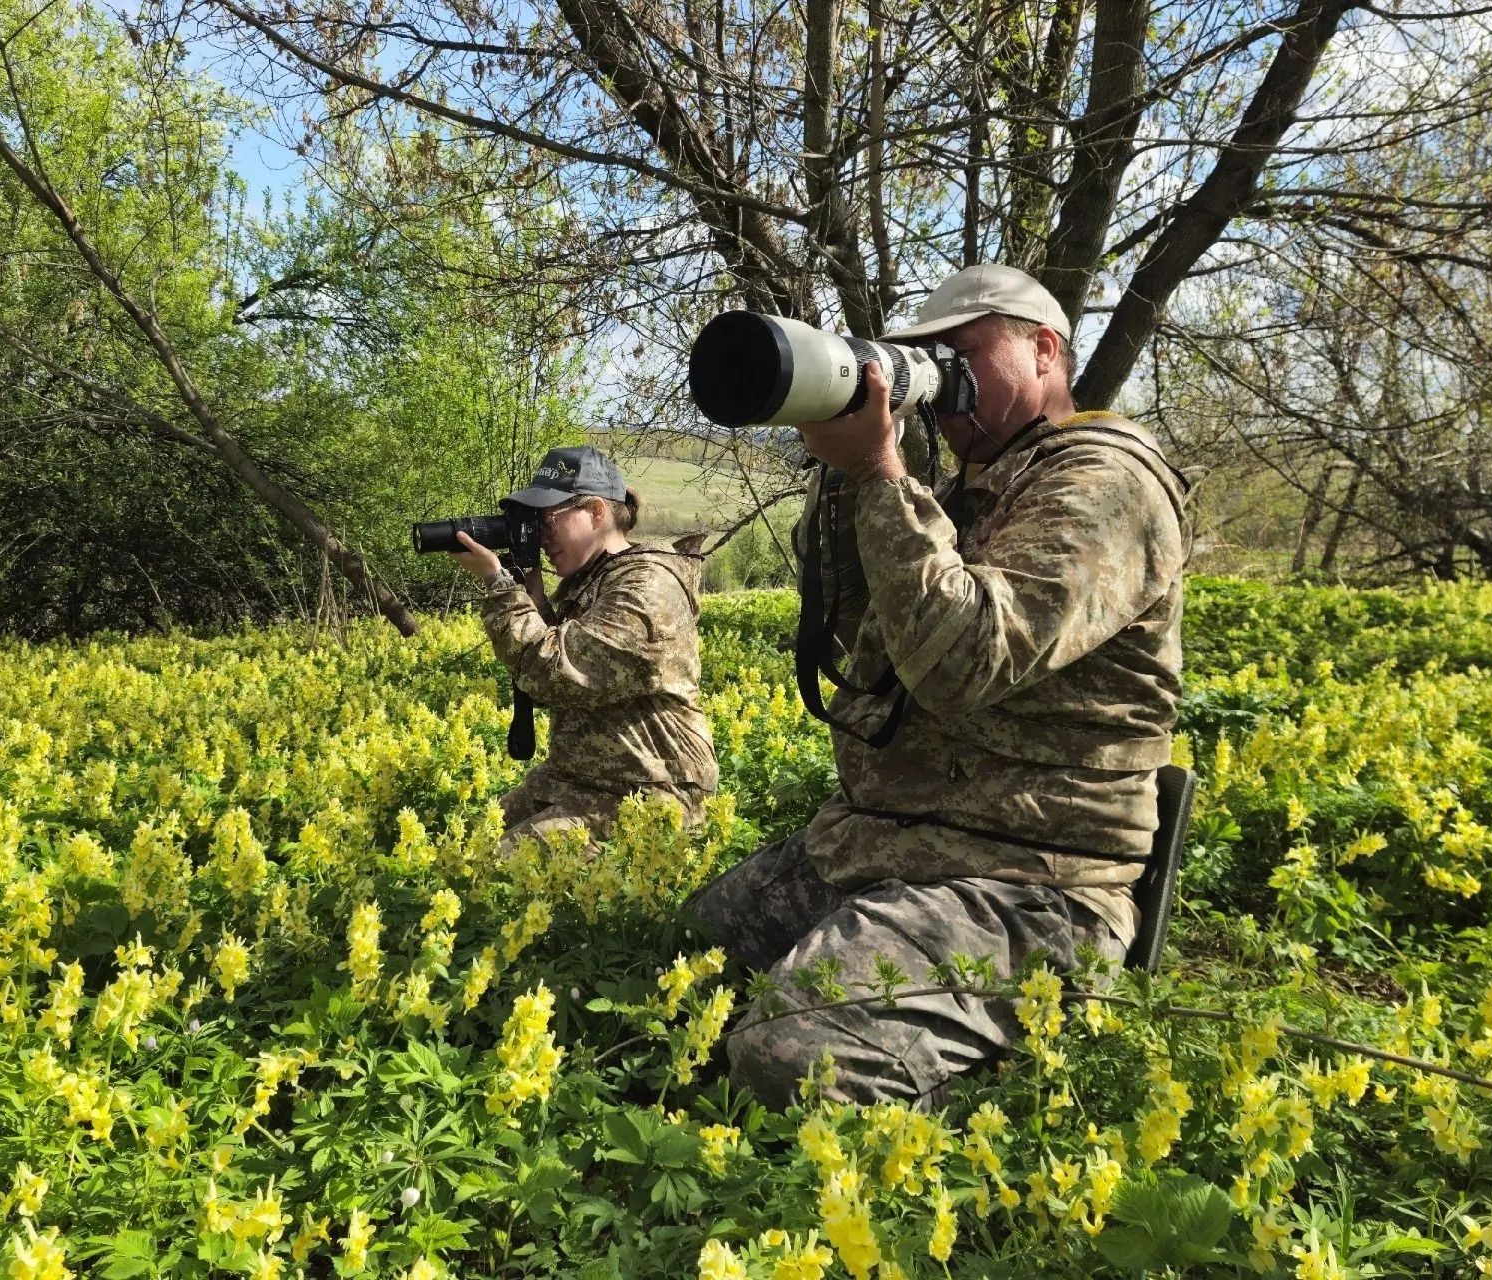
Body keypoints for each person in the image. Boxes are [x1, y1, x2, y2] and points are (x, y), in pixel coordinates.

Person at [685, 265, 1189, 1109]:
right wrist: (851, 478)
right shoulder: (972, 490)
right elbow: (861, 639)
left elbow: (964, 660)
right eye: (926, 360)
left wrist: (884, 477)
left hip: (1032, 881)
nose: (943, 382)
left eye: (964, 354)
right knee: (686, 960)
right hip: (889, 845)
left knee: (788, 1053)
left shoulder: (1105, 484)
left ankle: (997, 1125)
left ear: (1044, 348)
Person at [450, 445, 718, 857]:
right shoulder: (594, 580)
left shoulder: (647, 586)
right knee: (466, 849)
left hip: (650, 792)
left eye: (548, 520)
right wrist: (535, 600)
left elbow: (558, 673)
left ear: (595, 512)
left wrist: (500, 585)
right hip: (580, 780)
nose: (541, 536)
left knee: (495, 868)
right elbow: (552, 680)